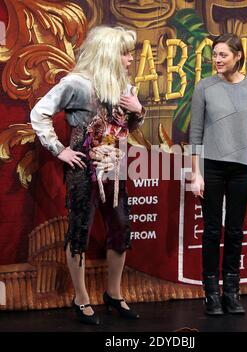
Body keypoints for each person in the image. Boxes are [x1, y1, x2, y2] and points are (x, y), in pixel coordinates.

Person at [30, 26, 145, 325]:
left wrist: (138, 110)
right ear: (108, 53)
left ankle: (114, 294)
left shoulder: (125, 87)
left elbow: (127, 129)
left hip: (115, 170)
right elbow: (39, 113)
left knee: (120, 228)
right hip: (84, 172)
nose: (130, 58)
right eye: (124, 53)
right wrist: (60, 150)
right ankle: (81, 297)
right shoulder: (77, 84)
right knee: (80, 231)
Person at [189, 33, 247, 316]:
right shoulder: (204, 87)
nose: (217, 60)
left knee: (235, 232)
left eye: (223, 55)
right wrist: (195, 173)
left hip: (242, 169)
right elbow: (195, 132)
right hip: (211, 166)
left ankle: (232, 292)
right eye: (215, 55)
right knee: (211, 231)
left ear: (238, 56)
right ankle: (211, 293)